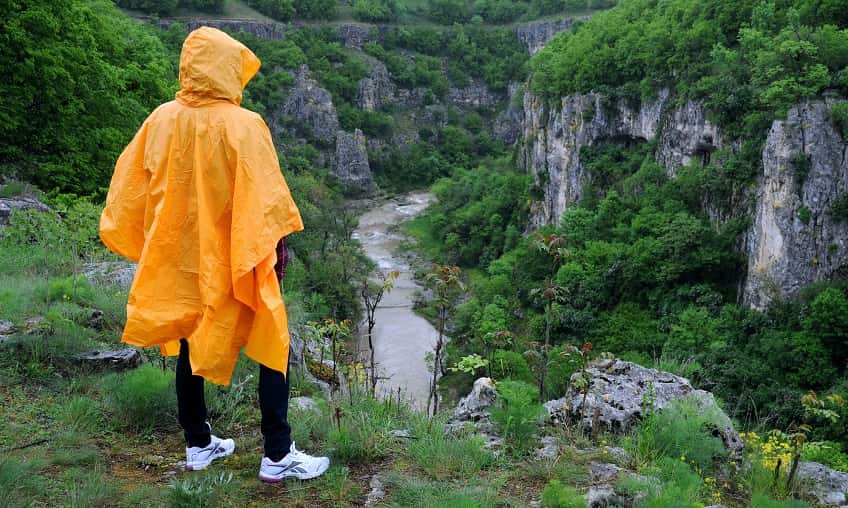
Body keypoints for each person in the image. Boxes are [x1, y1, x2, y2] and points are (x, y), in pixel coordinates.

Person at [99, 26, 329, 482]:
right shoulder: (245, 125)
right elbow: (265, 202)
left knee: (189, 338)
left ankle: (198, 444)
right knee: (270, 344)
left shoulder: (161, 118)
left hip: (181, 257)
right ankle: (278, 455)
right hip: (237, 256)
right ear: (226, 70)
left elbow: (130, 188)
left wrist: (152, 241)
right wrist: (275, 257)